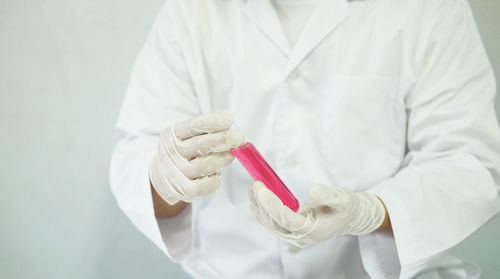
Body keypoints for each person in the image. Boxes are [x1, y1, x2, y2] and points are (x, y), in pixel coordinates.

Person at [109, 0, 500, 278]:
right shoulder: (189, 14)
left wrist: (372, 211)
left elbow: (469, 162)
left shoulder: (431, 9)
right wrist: (164, 177)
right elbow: (136, 153)